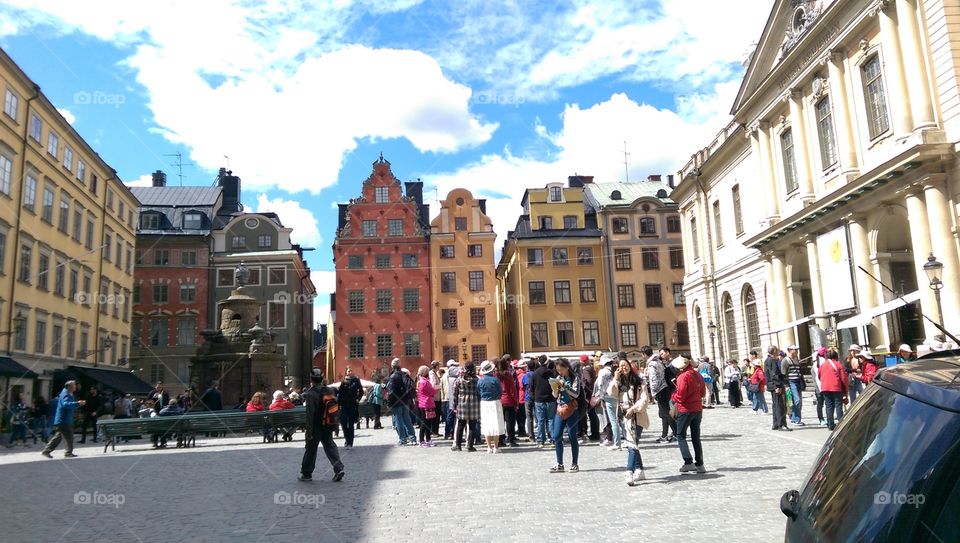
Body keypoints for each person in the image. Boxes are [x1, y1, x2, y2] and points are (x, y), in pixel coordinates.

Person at [299, 368, 345, 482]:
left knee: (311, 449)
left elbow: (310, 415)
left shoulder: (310, 394)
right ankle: (338, 468)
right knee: (330, 446)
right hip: (328, 424)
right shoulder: (329, 391)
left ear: (311, 379)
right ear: (322, 379)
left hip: (316, 426)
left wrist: (308, 433)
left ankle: (306, 474)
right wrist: (335, 426)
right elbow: (334, 409)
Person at [671, 356, 706, 473]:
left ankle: (688, 462)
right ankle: (700, 464)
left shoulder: (682, 377)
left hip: (685, 409)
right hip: (697, 408)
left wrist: (673, 396)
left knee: (680, 435)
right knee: (696, 436)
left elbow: (680, 396)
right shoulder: (697, 374)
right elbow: (703, 392)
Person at [619, 362, 649, 485]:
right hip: (624, 417)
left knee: (631, 445)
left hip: (637, 417)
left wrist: (633, 409)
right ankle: (640, 470)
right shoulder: (619, 382)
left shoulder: (639, 382)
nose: (623, 367)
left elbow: (645, 399)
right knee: (633, 444)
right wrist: (615, 379)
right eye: (620, 366)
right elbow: (610, 393)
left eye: (625, 365)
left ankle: (629, 471)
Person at [550, 359, 582, 473]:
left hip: (572, 409)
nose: (560, 372)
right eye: (558, 370)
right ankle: (559, 463)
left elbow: (576, 394)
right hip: (560, 408)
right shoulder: (558, 378)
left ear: (567, 368)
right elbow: (555, 396)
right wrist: (554, 388)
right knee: (557, 435)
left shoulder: (575, 379)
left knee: (572, 435)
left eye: (561, 370)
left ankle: (575, 463)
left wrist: (565, 387)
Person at [41, 381, 85, 458]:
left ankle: (46, 451)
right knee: (69, 436)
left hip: (63, 419)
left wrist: (77, 404)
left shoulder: (67, 393)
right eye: (74, 385)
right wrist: (78, 403)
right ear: (69, 387)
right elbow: (66, 404)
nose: (75, 387)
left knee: (58, 437)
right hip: (64, 420)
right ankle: (68, 452)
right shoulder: (66, 394)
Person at [647, 347, 676, 443]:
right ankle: (665, 434)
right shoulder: (660, 362)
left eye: (663, 353)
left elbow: (653, 379)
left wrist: (653, 392)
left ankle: (677, 433)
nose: (662, 355)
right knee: (664, 413)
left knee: (666, 413)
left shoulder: (653, 364)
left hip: (662, 390)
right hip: (666, 388)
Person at [386, 358, 416, 446]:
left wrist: (389, 403)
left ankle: (402, 439)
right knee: (407, 419)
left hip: (396, 402)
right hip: (405, 401)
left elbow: (391, 392)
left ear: (392, 366)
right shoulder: (404, 375)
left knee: (398, 420)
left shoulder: (393, 377)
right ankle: (412, 438)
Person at [478, 360, 505, 453]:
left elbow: (478, 392)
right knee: (496, 424)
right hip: (495, 402)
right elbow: (500, 392)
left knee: (486, 424)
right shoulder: (495, 380)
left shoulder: (480, 380)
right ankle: (496, 447)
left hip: (484, 403)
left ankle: (489, 447)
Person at [452, 362, 480, 452]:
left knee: (460, 425)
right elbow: (479, 393)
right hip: (474, 404)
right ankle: (470, 446)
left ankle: (458, 445)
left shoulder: (459, 380)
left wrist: (454, 405)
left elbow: (454, 394)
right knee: (472, 426)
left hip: (462, 404)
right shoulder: (477, 380)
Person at [818, 350, 849, 431]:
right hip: (836, 387)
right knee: (838, 405)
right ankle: (840, 423)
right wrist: (846, 391)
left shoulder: (823, 365)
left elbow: (819, 376)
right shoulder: (838, 364)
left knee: (828, 406)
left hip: (825, 387)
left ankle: (830, 424)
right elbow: (844, 379)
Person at [595, 357, 621, 449]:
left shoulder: (602, 372)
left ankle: (616, 442)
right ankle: (623, 438)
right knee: (620, 419)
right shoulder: (614, 370)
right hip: (617, 396)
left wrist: (601, 398)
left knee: (612, 420)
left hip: (607, 396)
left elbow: (600, 386)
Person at [532, 355, 557, 448]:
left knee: (540, 421)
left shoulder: (535, 373)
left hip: (539, 399)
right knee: (551, 420)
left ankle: (540, 441)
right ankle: (553, 440)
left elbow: (531, 387)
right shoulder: (552, 373)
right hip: (551, 399)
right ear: (547, 362)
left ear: (539, 362)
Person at [337, 366, 363, 449]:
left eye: (351, 371)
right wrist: (338, 405)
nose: (350, 372)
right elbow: (340, 394)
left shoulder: (356, 380)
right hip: (344, 405)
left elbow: (361, 392)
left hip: (352, 405)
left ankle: (350, 443)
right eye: (348, 371)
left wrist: (358, 399)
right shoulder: (343, 381)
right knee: (344, 423)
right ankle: (346, 439)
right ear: (346, 372)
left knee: (351, 424)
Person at [765, 346, 790, 431]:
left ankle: (775, 423)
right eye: (777, 349)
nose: (778, 351)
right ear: (774, 351)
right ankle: (781, 424)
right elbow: (774, 374)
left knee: (775, 405)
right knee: (780, 405)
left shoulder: (768, 360)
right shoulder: (772, 360)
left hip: (772, 385)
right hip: (775, 385)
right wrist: (778, 386)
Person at [497, 356, 519, 448]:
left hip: (499, 400)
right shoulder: (508, 375)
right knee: (510, 422)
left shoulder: (497, 375)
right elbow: (512, 389)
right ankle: (511, 439)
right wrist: (516, 402)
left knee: (501, 421)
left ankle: (501, 440)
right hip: (508, 400)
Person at [579, 354, 600, 442]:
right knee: (593, 415)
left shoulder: (586, 370)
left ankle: (593, 433)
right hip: (592, 394)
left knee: (587, 414)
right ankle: (595, 433)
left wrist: (584, 389)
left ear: (582, 361)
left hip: (587, 396)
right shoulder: (591, 368)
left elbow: (587, 381)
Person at [415, 366, 437, 447]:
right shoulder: (425, 382)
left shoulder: (420, 381)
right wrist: (437, 388)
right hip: (426, 403)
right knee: (425, 422)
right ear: (425, 372)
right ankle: (422, 440)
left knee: (427, 422)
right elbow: (432, 392)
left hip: (423, 403)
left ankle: (427, 439)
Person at [783, 345, 805, 426]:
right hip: (791, 382)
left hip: (798, 381)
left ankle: (797, 418)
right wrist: (786, 385)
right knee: (796, 400)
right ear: (790, 350)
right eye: (795, 350)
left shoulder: (796, 359)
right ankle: (794, 418)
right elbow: (783, 373)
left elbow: (800, 372)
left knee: (799, 401)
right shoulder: (785, 360)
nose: (797, 351)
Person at [443, 360, 460, 440]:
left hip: (450, 398)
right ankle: (449, 433)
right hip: (451, 398)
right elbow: (447, 388)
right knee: (450, 417)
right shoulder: (448, 376)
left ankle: (451, 433)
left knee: (451, 417)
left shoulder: (448, 375)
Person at [521, 359, 536, 441]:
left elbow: (522, 387)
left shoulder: (525, 376)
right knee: (538, 418)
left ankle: (531, 436)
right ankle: (542, 435)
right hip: (536, 398)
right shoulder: (536, 374)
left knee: (529, 417)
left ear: (527, 367)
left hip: (527, 398)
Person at [812, 347, 827, 426]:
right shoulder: (823, 363)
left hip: (819, 387)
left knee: (820, 404)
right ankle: (822, 418)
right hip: (823, 386)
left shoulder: (816, 364)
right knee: (825, 403)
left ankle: (821, 418)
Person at [514, 360, 528, 439]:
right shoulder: (523, 375)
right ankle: (522, 431)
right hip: (522, 397)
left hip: (517, 397)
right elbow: (524, 386)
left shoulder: (516, 374)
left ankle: (520, 430)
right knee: (522, 416)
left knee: (518, 415)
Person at [428, 361, 443, 437]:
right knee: (435, 416)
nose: (439, 367)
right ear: (436, 366)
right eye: (439, 366)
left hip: (436, 397)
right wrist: (441, 385)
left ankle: (435, 431)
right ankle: (434, 431)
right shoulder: (432, 374)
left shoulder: (434, 373)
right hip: (435, 398)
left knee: (436, 416)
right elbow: (433, 386)